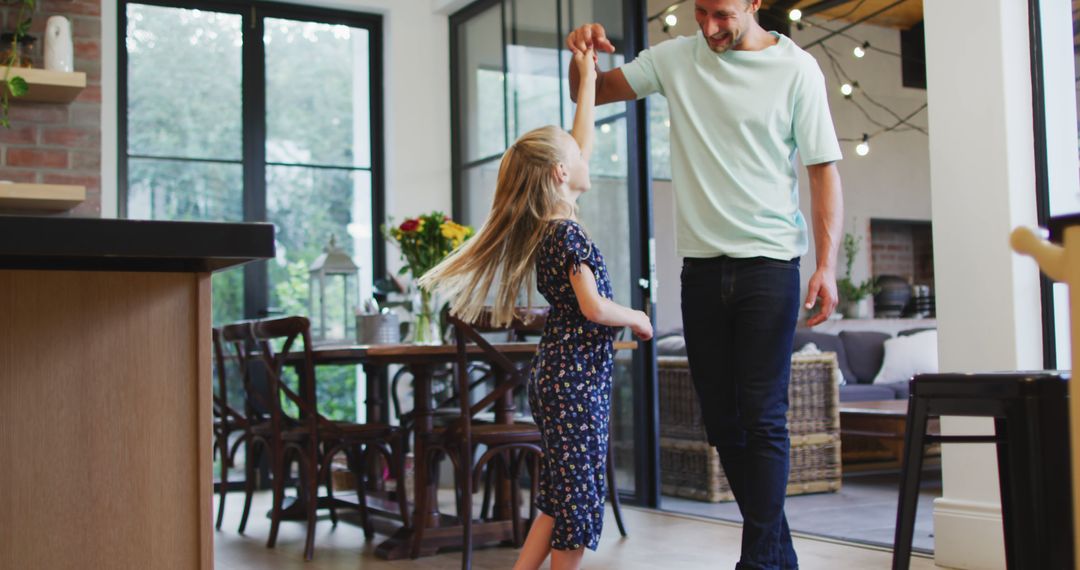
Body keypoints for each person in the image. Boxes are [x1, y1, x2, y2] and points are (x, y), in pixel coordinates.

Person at [565, 1, 844, 568]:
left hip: (770, 267)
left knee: (762, 417)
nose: (710, 28)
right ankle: (778, 555)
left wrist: (826, 262)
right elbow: (590, 92)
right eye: (700, 12)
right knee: (722, 422)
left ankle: (759, 562)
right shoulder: (674, 59)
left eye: (722, 14)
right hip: (701, 270)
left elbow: (822, 169)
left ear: (754, 3)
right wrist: (581, 57)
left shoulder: (797, 70)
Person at [419, 46, 653, 570]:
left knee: (558, 497)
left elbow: (577, 140)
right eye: (575, 160)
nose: (585, 158)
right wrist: (635, 316)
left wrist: (588, 79)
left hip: (560, 379)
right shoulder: (566, 232)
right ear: (557, 174)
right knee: (576, 502)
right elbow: (593, 308)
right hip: (572, 383)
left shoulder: (549, 223)